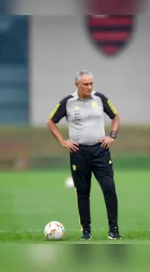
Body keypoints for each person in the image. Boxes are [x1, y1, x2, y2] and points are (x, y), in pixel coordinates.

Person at [46, 70, 122, 240]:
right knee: (82, 191)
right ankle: (86, 231)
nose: (89, 87)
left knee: (109, 188)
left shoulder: (100, 99)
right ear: (77, 85)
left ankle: (114, 230)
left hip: (101, 151)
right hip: (79, 153)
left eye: (91, 83)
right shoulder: (68, 102)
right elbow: (51, 121)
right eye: (85, 84)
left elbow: (115, 117)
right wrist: (63, 141)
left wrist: (112, 135)